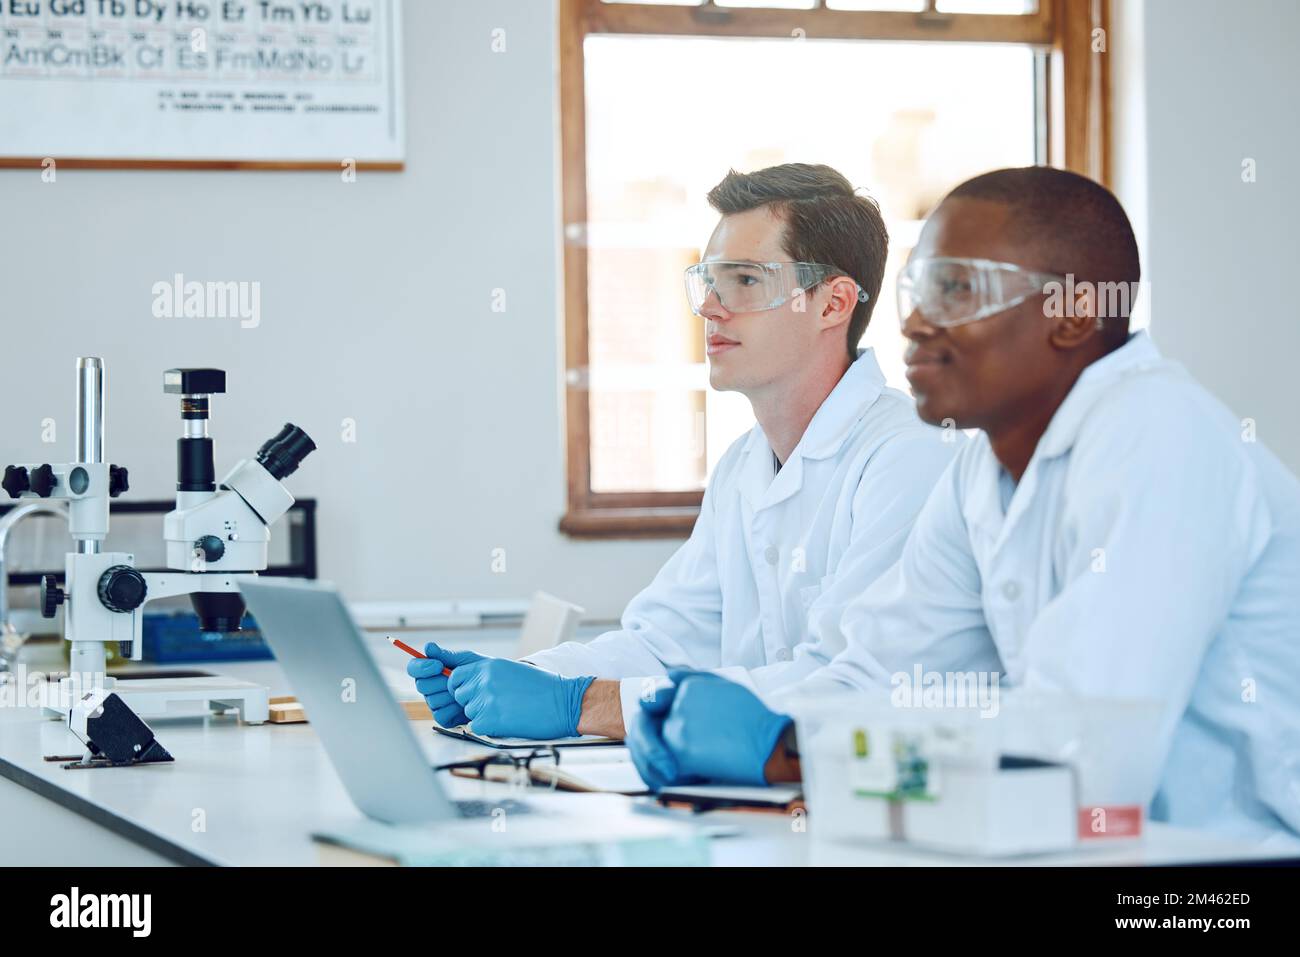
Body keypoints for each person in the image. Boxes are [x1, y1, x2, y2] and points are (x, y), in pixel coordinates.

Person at [627, 166, 1300, 845]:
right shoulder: (980, 469)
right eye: (918, 291)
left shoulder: (1158, 434)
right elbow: (879, 673)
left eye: (957, 290)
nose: (916, 323)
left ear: (1072, 313)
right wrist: (752, 720)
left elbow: (1084, 754)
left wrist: (785, 747)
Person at [408, 163, 959, 740]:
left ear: (832, 304)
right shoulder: (744, 466)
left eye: (746, 280)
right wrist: (519, 678)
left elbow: (846, 685)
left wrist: (580, 705)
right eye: (710, 281)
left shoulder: (910, 459)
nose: (710, 308)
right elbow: (664, 643)